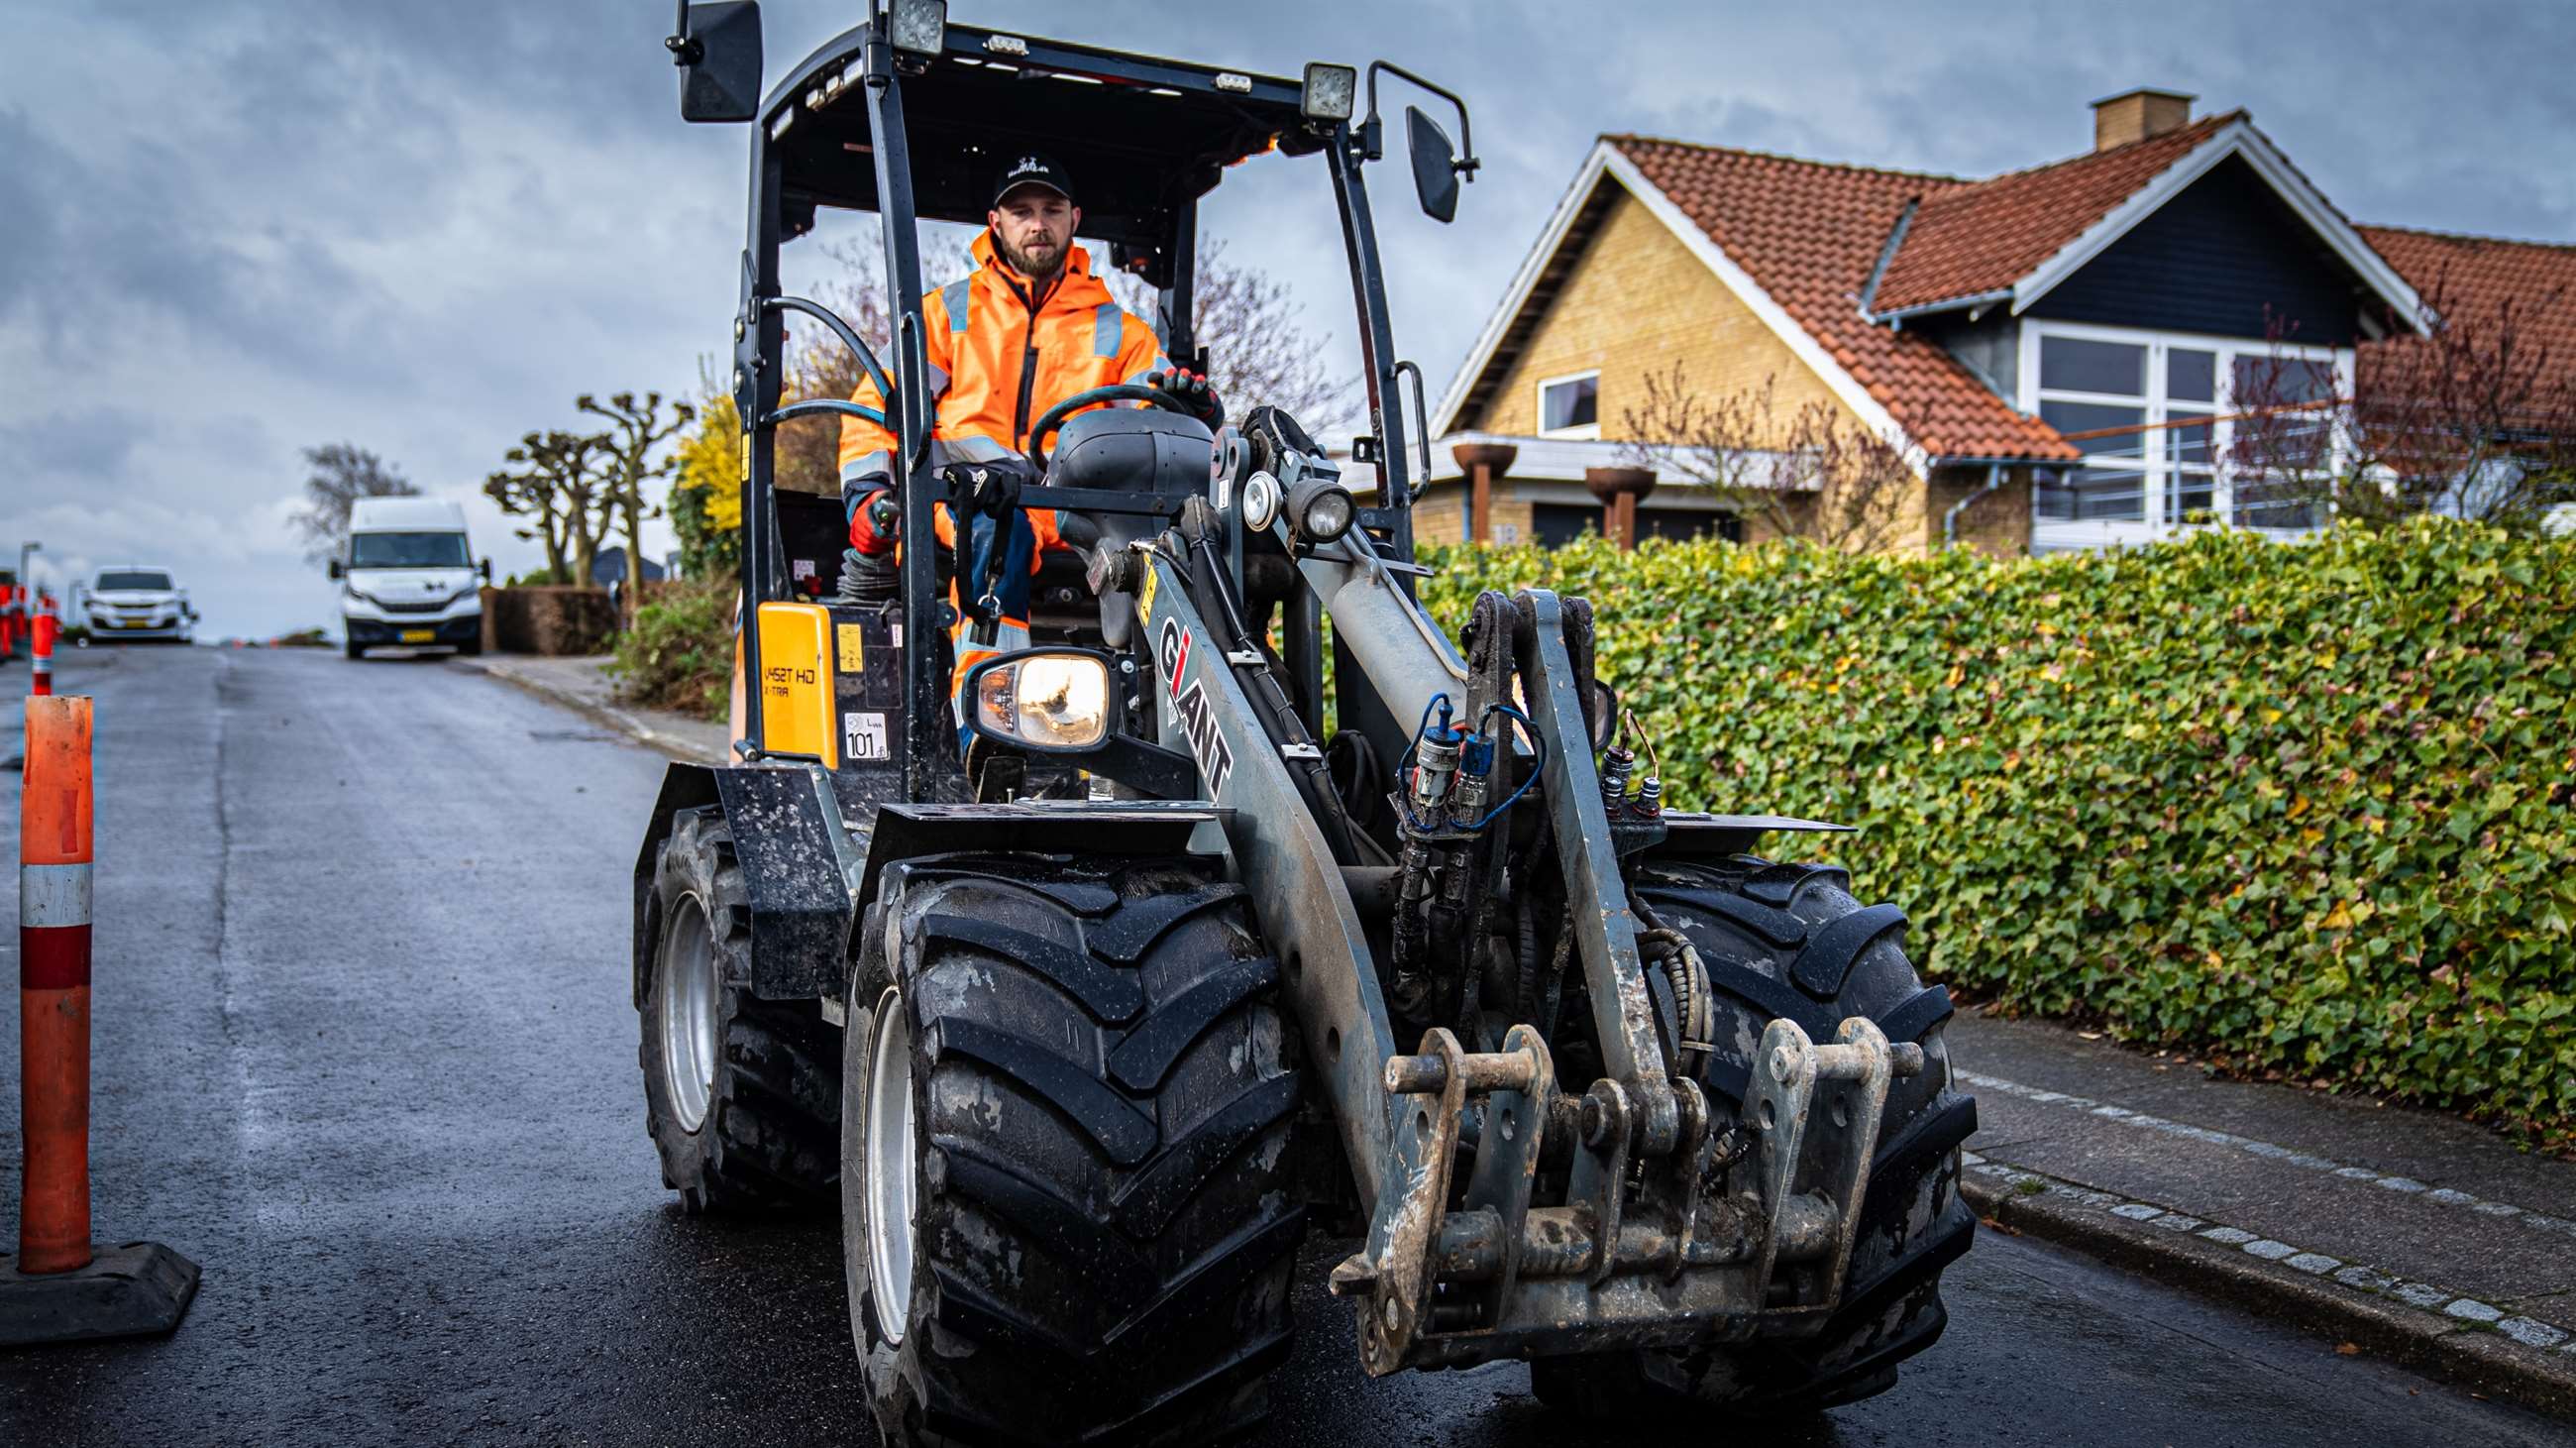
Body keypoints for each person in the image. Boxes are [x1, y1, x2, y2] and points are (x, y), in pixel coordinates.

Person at [836, 153, 1220, 739]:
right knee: (999, 529)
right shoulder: (945, 317)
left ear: (1074, 219)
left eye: (1050, 210)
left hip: (1078, 514)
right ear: (996, 222)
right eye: (1022, 211)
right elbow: (877, 409)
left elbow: (1158, 424)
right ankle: (991, 726)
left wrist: (1193, 411)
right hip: (966, 503)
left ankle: (1167, 732)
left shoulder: (1120, 333)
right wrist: (868, 493)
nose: (1037, 224)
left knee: (1188, 550)